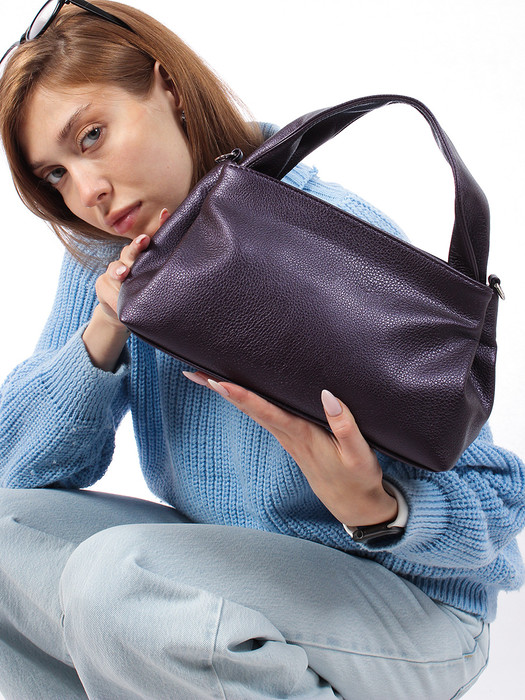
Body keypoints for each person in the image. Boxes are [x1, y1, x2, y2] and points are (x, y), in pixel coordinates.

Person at [0, 1, 523, 698]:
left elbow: (498, 501)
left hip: (410, 610)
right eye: (56, 175)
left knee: (119, 581)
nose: (88, 192)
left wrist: (377, 507)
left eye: (91, 136)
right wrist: (103, 334)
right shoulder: (113, 259)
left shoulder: (319, 240)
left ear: (168, 88)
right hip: (227, 579)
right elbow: (14, 472)